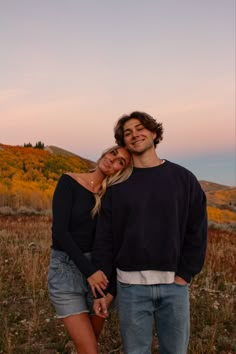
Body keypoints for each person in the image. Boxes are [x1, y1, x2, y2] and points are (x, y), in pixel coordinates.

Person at [92, 111, 208, 354]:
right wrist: (106, 290)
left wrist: (185, 274)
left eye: (140, 128)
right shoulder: (117, 186)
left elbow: (196, 230)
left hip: (173, 287)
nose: (135, 134)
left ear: (154, 133)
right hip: (131, 288)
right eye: (128, 132)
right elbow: (105, 239)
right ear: (123, 142)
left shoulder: (183, 179)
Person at [48, 145, 132, 354]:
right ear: (106, 152)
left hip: (101, 274)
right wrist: (90, 272)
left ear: (122, 171)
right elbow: (60, 232)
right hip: (67, 271)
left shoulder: (112, 196)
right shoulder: (69, 181)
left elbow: (115, 243)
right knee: (89, 349)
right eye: (114, 154)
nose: (112, 161)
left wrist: (109, 289)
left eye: (120, 162)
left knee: (90, 343)